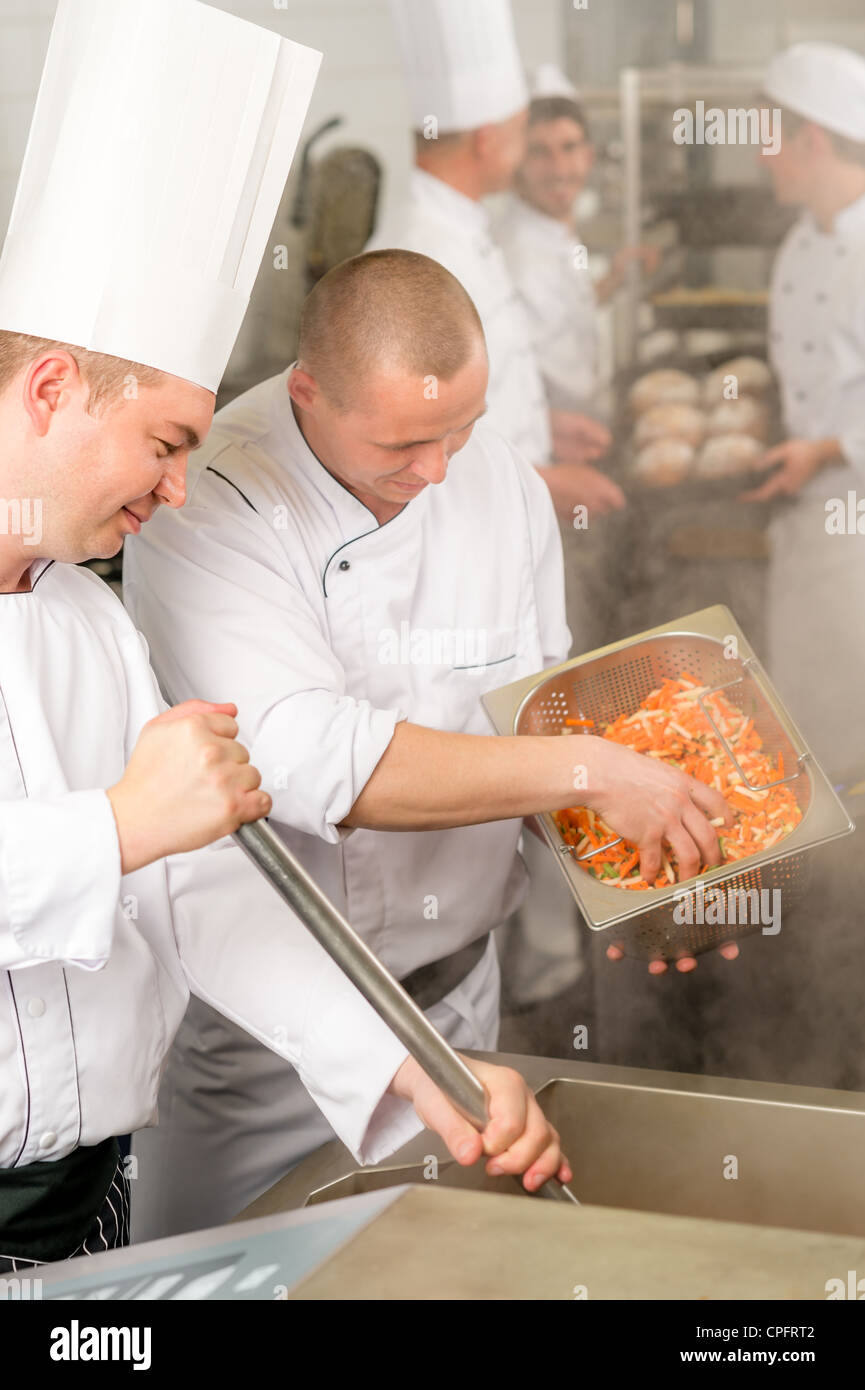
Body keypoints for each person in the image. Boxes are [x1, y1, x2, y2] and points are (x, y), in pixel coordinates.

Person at [0, 0, 571, 1273]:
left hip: (82, 1202)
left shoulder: (88, 622)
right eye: (165, 444)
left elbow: (210, 890)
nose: (182, 493)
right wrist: (120, 825)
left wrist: (419, 1075)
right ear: (50, 391)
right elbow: (150, 836)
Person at [124, 247, 732, 1237]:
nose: (439, 471)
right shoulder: (213, 498)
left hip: (457, 1010)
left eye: (463, 430)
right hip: (268, 1048)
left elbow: (525, 723)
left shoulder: (493, 481)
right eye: (405, 444)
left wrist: (635, 873)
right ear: (308, 393)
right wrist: (595, 770)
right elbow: (317, 759)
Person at [367, 0, 624, 525]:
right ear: (488, 139)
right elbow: (398, 439)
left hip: (507, 518)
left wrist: (543, 428)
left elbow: (478, 396)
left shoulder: (464, 231)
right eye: (525, 130)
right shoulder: (419, 257)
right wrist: (543, 481)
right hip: (461, 541)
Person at [741, 41, 865, 789]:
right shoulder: (797, 243)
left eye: (767, 139)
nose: (761, 159)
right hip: (805, 522)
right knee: (811, 729)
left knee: (851, 730)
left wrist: (824, 450)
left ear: (810, 139)